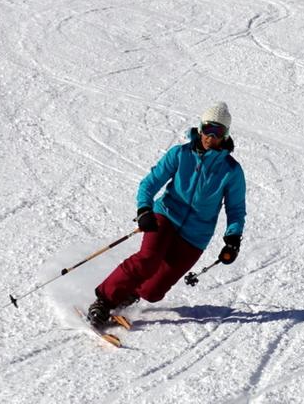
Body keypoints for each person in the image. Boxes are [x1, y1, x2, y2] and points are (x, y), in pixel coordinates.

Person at [87, 102, 246, 325]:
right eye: (208, 128)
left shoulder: (231, 171)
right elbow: (149, 184)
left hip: (196, 235)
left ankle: (130, 294)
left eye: (218, 131)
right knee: (148, 259)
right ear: (200, 128)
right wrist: (144, 209)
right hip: (167, 216)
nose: (211, 135)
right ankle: (103, 301)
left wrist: (232, 237)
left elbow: (236, 209)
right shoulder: (180, 155)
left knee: (153, 291)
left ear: (225, 135)